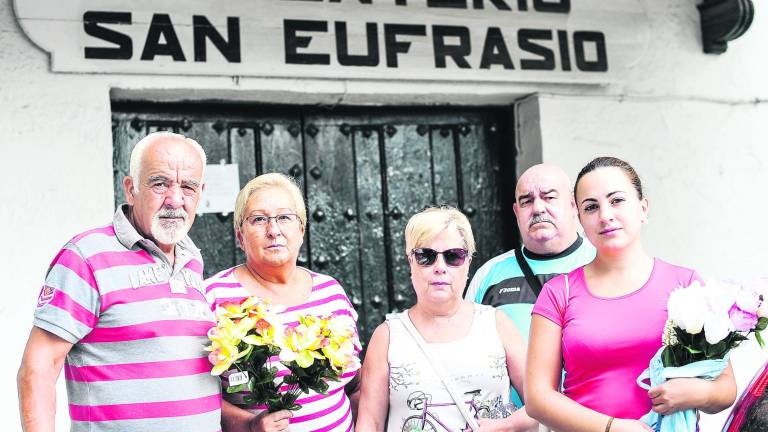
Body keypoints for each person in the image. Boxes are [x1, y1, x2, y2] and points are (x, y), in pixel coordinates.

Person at [17, 132, 221, 432]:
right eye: (160, 183)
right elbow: (38, 370)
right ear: (131, 189)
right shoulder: (85, 256)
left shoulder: (192, 260)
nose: (175, 200)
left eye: (188, 187)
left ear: (200, 193)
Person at [526, 156, 737, 432]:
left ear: (643, 208)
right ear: (580, 219)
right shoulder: (558, 293)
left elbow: (726, 387)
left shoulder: (686, 283)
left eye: (617, 200)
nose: (605, 215)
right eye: (591, 207)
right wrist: (612, 428)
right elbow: (538, 398)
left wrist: (697, 394)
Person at [357, 206, 538, 432]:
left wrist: (508, 425)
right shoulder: (388, 336)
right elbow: (369, 423)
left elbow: (541, 404)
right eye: (426, 256)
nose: (440, 267)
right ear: (410, 262)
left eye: (453, 256)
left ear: (468, 263)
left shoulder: (496, 324)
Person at [204, 173, 360, 432]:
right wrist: (250, 426)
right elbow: (194, 397)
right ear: (240, 237)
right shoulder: (213, 296)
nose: (273, 230)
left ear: (301, 230)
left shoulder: (331, 291)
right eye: (259, 219)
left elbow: (355, 382)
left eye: (285, 217)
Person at [465, 164, 595, 341]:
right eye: (527, 201)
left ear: (573, 205)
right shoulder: (488, 276)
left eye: (549, 197)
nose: (538, 208)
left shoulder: (602, 261)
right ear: (516, 212)